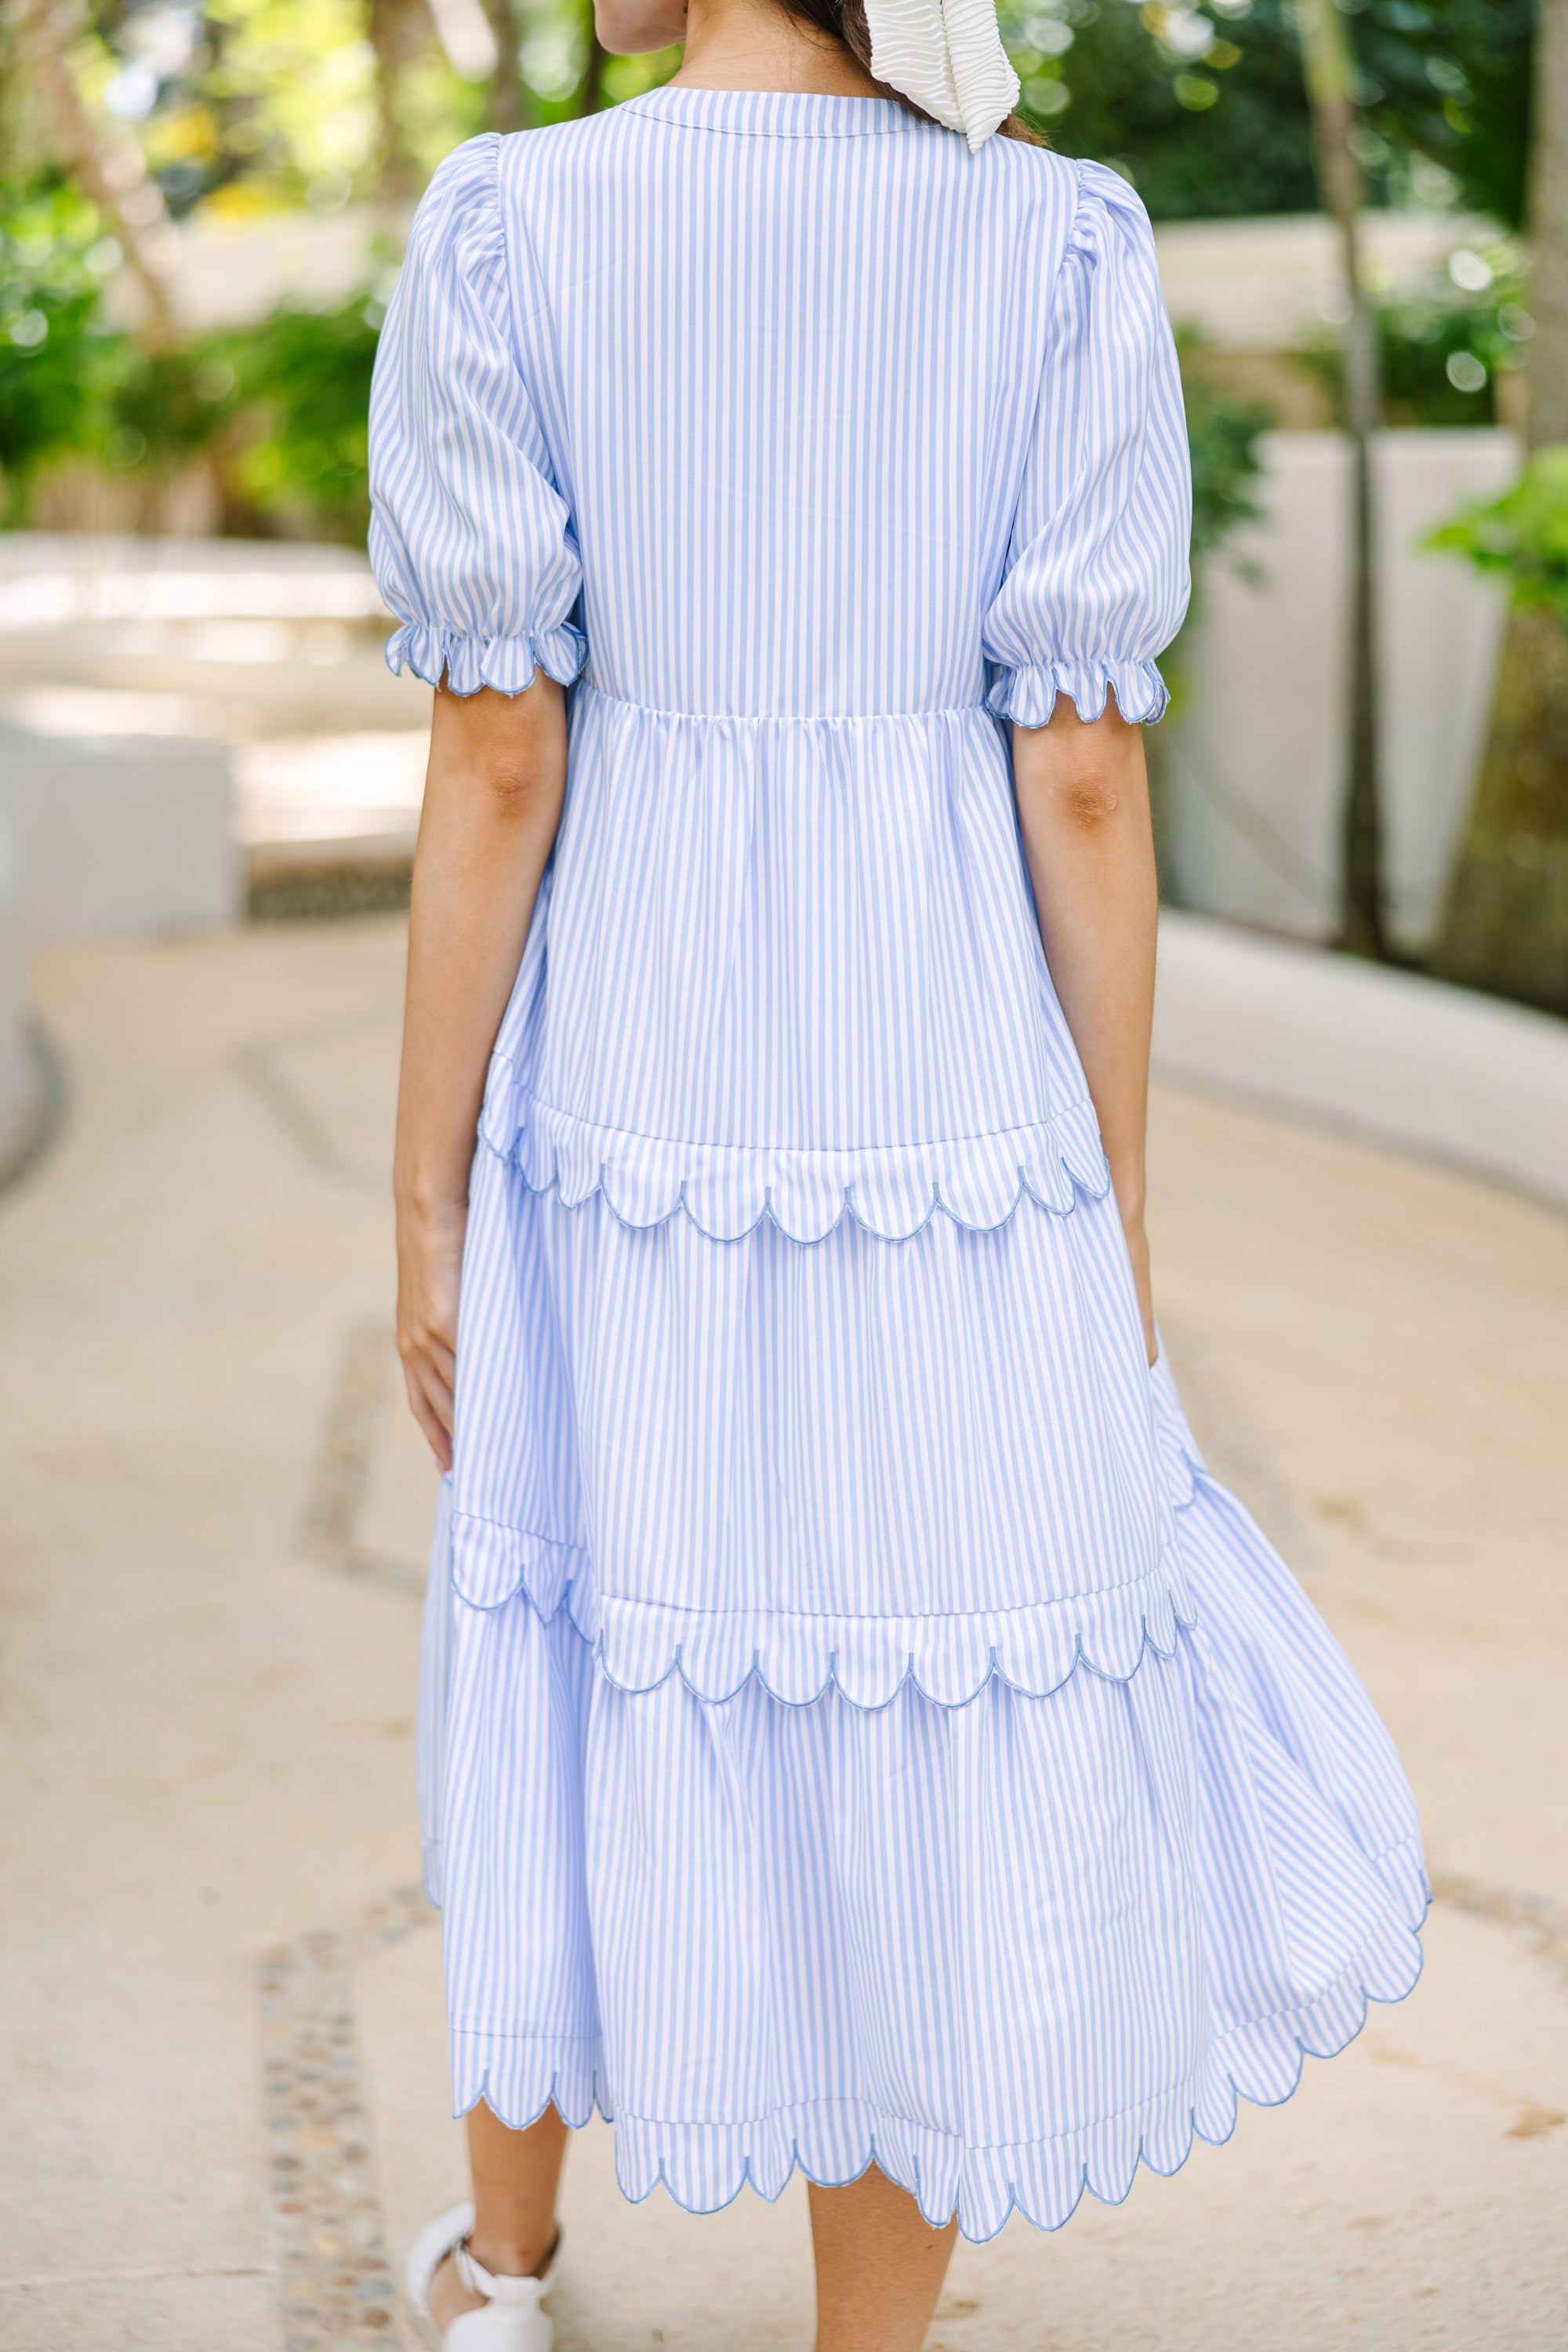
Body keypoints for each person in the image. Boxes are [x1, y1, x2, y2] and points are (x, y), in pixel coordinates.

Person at [368, 0, 1428, 2337]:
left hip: (624, 1078)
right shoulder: (1052, 240)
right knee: (916, 1675)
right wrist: (1108, 1181)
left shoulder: (512, 224)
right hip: (945, 1090)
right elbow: (1080, 775)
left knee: (570, 1612)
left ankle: (504, 2286)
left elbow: (496, 757)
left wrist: (428, 1181)